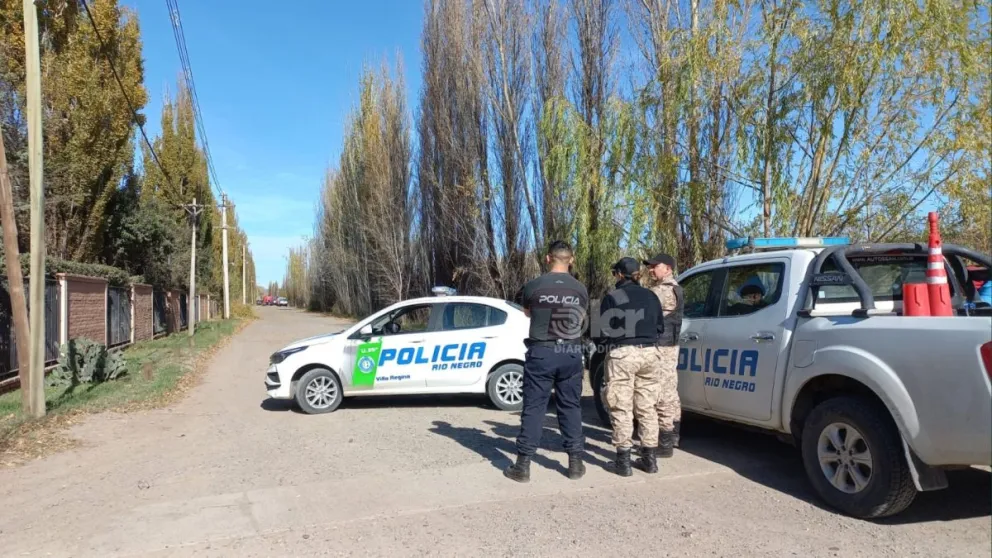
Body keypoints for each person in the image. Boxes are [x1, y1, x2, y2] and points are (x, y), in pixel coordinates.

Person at [504, 240, 589, 483]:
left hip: (541, 352)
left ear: (547, 258)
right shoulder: (580, 289)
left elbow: (527, 313)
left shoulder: (533, 286)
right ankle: (575, 464)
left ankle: (522, 466)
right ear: (571, 260)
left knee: (534, 408)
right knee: (570, 407)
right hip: (571, 352)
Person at [596, 257, 664, 476]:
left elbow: (601, 332)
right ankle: (649, 459)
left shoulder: (614, 297)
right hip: (650, 353)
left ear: (618, 275)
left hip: (623, 353)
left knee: (621, 406)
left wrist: (607, 348)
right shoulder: (652, 296)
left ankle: (623, 461)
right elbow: (660, 327)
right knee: (647, 406)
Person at [644, 253, 683, 454]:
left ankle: (666, 440)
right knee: (671, 390)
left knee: (662, 393)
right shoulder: (677, 288)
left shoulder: (661, 291)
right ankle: (674, 433)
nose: (650, 270)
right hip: (671, 345)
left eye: (654, 266)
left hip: (661, 347)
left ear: (667, 268)